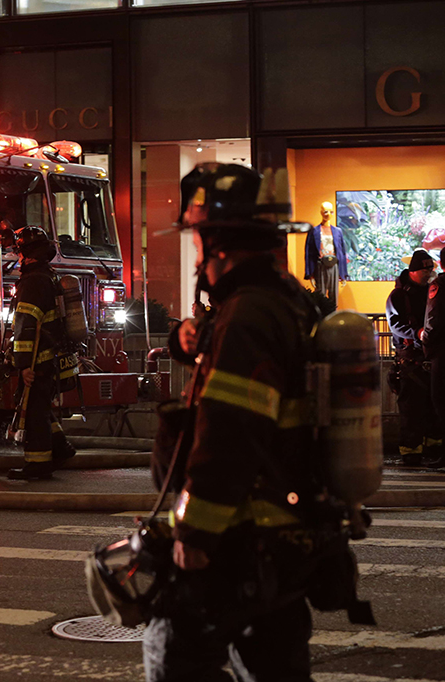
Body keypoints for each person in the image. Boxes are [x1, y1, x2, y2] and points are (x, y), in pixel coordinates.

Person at [144, 164, 324, 680]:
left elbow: (229, 434)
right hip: (282, 539)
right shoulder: (283, 302)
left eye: (198, 238)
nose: (196, 252)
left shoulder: (247, 316)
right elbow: (223, 341)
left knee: (177, 660)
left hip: (237, 539)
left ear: (218, 242)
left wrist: (196, 536)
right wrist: (190, 336)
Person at [6, 226, 77, 481]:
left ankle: (38, 464)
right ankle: (61, 448)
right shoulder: (48, 276)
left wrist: (23, 365)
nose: (18, 257)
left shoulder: (34, 281)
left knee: (33, 411)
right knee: (40, 406)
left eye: (19, 251)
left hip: (38, 359)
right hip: (50, 356)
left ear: (25, 253)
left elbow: (26, 325)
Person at [387, 248, 441, 466]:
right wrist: (418, 333)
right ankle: (410, 453)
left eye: (431, 270)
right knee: (411, 409)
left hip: (431, 358)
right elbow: (396, 325)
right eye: (425, 271)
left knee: (433, 407)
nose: (429, 275)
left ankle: (434, 448)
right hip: (410, 360)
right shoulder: (398, 296)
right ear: (414, 271)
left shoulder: (432, 291)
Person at [304, 201, 348, 308]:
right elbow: (309, 253)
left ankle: (333, 319)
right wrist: (310, 274)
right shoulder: (314, 231)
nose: (327, 214)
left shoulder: (338, 231)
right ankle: (321, 320)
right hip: (320, 265)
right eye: (325, 211)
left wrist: (343, 274)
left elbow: (342, 253)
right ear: (321, 212)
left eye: (330, 211)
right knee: (320, 294)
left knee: (334, 295)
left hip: (334, 265)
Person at [425, 248, 445, 469]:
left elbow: (434, 317)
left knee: (441, 402)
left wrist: (426, 341)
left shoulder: (439, 285)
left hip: (442, 352)